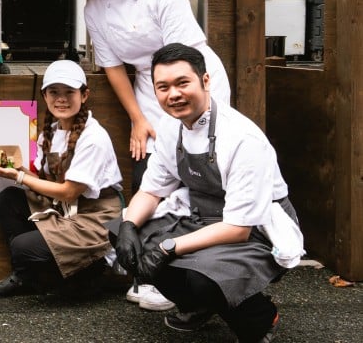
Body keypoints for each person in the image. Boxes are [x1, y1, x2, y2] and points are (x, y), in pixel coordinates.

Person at [83, 0, 231, 311]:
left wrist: (179, 96)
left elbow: (182, 53)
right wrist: (137, 118)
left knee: (202, 164)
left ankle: (207, 263)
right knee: (149, 166)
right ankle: (146, 271)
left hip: (190, 78)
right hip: (149, 89)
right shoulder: (95, 7)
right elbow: (114, 67)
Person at [112, 43, 295, 343]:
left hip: (257, 229)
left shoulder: (242, 139)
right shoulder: (171, 127)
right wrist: (128, 226)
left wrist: (167, 246)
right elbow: (152, 189)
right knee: (124, 235)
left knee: (201, 278)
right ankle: (199, 306)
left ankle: (260, 318)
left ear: (205, 81)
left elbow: (238, 229)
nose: (174, 94)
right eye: (163, 87)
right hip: (202, 216)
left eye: (183, 83)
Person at [0, 60, 123, 299]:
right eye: (54, 92)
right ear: (45, 96)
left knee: (23, 247)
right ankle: (26, 277)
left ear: (84, 94)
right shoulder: (52, 131)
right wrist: (18, 169)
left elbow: (69, 192)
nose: (61, 99)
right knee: (10, 198)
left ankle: (93, 270)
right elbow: (47, 182)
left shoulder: (94, 137)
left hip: (94, 219)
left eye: (70, 92)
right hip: (65, 209)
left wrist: (19, 176)